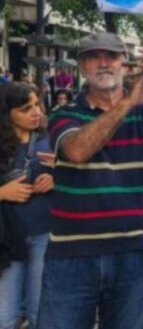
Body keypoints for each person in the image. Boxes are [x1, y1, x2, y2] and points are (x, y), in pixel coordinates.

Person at [37, 33, 143, 329]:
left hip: (137, 249)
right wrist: (128, 103)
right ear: (82, 66)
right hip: (73, 255)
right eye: (94, 57)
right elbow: (77, 151)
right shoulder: (64, 113)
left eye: (111, 56)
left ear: (124, 63)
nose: (103, 63)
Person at [0, 83, 54, 329]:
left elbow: (78, 173)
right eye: (26, 108)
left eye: (37, 105)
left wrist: (56, 178)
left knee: (40, 312)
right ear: (7, 113)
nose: (36, 112)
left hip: (45, 233)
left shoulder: (50, 138)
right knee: (5, 317)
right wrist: (2, 193)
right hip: (7, 242)